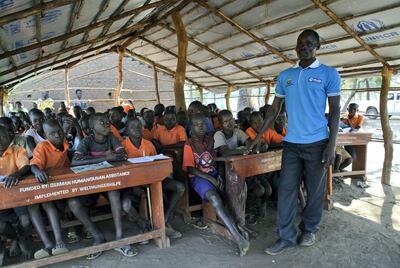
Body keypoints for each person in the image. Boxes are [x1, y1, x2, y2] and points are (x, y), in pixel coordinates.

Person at [249, 29, 341, 255]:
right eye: (301, 43)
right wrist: (258, 137)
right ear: (296, 47)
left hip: (318, 142)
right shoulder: (285, 76)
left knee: (314, 190)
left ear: (317, 46)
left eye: (310, 43)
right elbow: (273, 110)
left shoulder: (329, 74)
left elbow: (336, 111)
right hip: (291, 144)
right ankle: (286, 237)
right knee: (286, 189)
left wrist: (331, 146)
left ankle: (309, 229)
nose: (304, 47)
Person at [68, 113, 136, 259]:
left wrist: (90, 159)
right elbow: (75, 161)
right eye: (102, 122)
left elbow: (122, 155)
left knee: (113, 191)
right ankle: (97, 236)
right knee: (73, 203)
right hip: (91, 186)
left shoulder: (111, 137)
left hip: (110, 181)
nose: (107, 124)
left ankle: (119, 236)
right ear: (92, 128)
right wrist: (105, 158)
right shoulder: (87, 141)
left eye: (107, 121)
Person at [183, 114, 250, 256]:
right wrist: (211, 179)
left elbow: (218, 158)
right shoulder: (189, 144)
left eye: (203, 124)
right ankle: (238, 238)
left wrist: (219, 174)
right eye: (197, 125)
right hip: (199, 178)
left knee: (233, 191)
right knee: (215, 198)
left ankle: (238, 226)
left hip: (214, 175)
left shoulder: (210, 139)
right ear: (191, 128)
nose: (201, 127)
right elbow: (190, 168)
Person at [28, 119, 70, 259]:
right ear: (45, 136)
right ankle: (48, 244)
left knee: (48, 202)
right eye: (52, 133)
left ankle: (59, 242)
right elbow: (33, 165)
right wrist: (38, 172)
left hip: (60, 186)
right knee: (39, 204)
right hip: (45, 185)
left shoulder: (65, 144)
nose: (57, 135)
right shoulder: (42, 147)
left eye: (59, 131)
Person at [151, 111, 186, 238]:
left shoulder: (180, 129)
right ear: (162, 120)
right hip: (164, 162)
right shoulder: (159, 129)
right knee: (164, 184)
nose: (169, 121)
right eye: (167, 118)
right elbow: (154, 141)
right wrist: (160, 147)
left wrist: (164, 147)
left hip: (178, 161)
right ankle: (164, 218)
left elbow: (183, 143)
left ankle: (166, 217)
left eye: (172, 118)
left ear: (176, 119)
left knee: (176, 181)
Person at [0, 126, 32, 260]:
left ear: (9, 137)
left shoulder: (18, 150)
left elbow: (25, 166)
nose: (0, 141)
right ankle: (18, 239)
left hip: (17, 195)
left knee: (25, 220)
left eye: (2, 137)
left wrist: (15, 175)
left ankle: (17, 239)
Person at [121, 119, 155, 231]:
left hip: (148, 182)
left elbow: (155, 165)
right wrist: (135, 185)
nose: (137, 129)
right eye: (133, 127)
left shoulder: (149, 145)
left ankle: (158, 222)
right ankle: (140, 222)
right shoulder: (122, 147)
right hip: (130, 185)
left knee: (158, 195)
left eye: (139, 126)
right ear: (127, 131)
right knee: (126, 205)